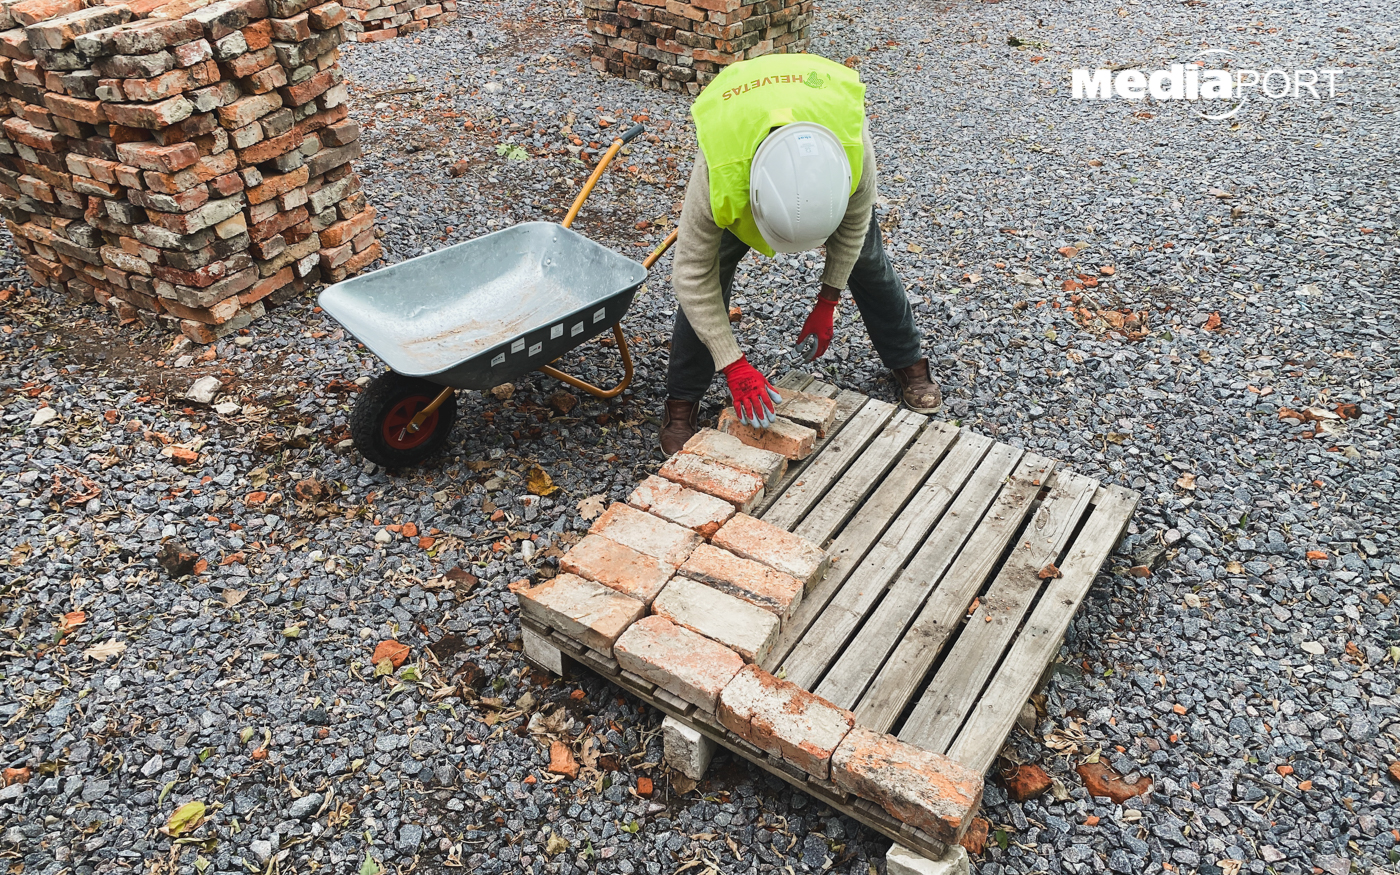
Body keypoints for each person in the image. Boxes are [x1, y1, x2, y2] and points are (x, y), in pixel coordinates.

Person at [660, 52, 943, 455]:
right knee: (713, 270)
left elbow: (852, 232)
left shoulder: (852, 150)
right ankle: (681, 401)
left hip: (818, 118)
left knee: (867, 258)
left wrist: (829, 299)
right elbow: (690, 274)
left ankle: (910, 362)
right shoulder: (720, 174)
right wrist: (733, 363)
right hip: (742, 138)